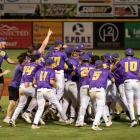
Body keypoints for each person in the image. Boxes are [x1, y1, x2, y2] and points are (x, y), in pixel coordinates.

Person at [32, 58, 67, 129]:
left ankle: (34, 124)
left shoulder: (38, 70)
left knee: (40, 108)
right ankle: (65, 119)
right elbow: (51, 82)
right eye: (53, 63)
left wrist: (39, 86)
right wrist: (56, 86)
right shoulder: (51, 71)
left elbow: (33, 83)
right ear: (51, 64)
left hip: (39, 91)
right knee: (57, 104)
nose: (54, 64)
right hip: (47, 91)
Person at [115, 48, 140, 127]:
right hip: (136, 81)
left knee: (130, 103)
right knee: (138, 101)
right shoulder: (137, 60)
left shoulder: (122, 61)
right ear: (133, 54)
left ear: (125, 54)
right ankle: (139, 117)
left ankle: (133, 120)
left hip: (127, 82)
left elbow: (114, 69)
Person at [89, 60, 114, 131]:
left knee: (100, 106)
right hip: (100, 91)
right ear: (102, 65)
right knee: (100, 108)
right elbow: (113, 79)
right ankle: (95, 124)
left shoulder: (91, 71)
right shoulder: (106, 71)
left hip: (91, 90)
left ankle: (106, 122)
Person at [3, 53, 27, 124]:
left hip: (17, 87)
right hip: (13, 87)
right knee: (13, 103)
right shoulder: (20, 67)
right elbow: (26, 72)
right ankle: (7, 117)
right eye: (27, 60)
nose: (28, 61)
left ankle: (18, 115)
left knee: (20, 102)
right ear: (24, 60)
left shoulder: (21, 66)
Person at [0, 38, 16, 111]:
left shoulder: (3, 52)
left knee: (1, 89)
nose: (5, 44)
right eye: (4, 43)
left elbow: (9, 60)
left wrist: (19, 63)